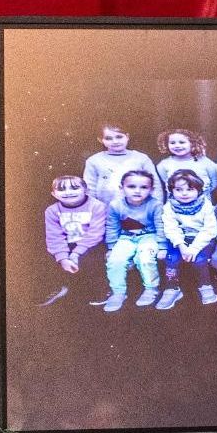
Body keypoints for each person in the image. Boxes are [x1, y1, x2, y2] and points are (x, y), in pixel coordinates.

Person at [101, 169, 162, 312]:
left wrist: (163, 246)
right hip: (126, 237)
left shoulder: (155, 205)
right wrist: (111, 247)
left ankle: (151, 288)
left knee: (145, 257)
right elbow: (112, 226)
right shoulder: (116, 205)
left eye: (144, 187)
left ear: (151, 190)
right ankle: (118, 292)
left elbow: (160, 226)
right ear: (121, 188)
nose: (137, 191)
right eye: (131, 186)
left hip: (149, 236)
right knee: (115, 260)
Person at [157, 169, 217, 309]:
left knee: (200, 260)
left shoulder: (206, 205)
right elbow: (171, 228)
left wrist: (194, 249)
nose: (184, 193)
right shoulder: (169, 207)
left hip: (201, 239)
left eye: (190, 189)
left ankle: (205, 285)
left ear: (198, 190)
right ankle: (172, 288)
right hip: (179, 240)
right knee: (171, 259)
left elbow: (209, 229)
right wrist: (181, 246)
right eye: (179, 189)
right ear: (172, 191)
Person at [41, 175, 106, 306]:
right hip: (68, 243)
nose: (68, 192)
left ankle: (101, 290)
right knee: (49, 258)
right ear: (53, 194)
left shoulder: (97, 206)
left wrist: (76, 253)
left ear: (86, 190)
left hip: (93, 243)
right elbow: (54, 236)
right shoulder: (52, 211)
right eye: (61, 189)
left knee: (92, 261)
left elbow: (96, 233)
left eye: (74, 188)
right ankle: (60, 286)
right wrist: (62, 257)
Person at [82, 123, 156, 205]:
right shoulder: (94, 160)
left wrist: (156, 207)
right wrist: (93, 209)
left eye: (119, 137)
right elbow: (90, 188)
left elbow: (155, 185)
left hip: (139, 210)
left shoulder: (141, 158)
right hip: (105, 210)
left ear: (127, 137)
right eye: (108, 138)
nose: (115, 141)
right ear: (100, 140)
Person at [154, 128, 217, 199]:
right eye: (172, 143)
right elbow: (166, 182)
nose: (177, 145)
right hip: (175, 206)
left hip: (202, 203)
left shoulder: (205, 162)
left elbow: (214, 181)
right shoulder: (163, 165)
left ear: (193, 143)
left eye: (182, 142)